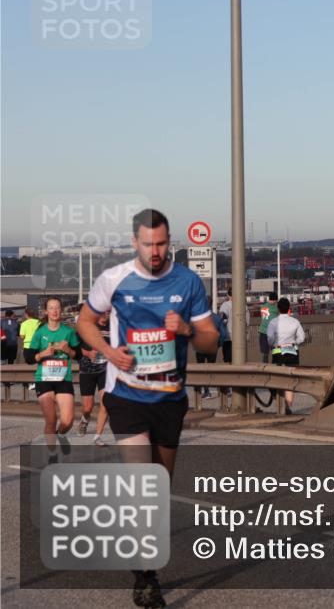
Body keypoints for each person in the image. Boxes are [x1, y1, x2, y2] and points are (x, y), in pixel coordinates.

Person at [76, 209, 218, 609]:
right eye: (147, 244)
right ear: (134, 242)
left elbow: (210, 342)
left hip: (170, 399)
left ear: (169, 242)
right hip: (126, 397)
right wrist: (107, 353)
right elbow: (84, 322)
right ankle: (149, 579)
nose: (154, 252)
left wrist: (188, 329)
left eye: (161, 244)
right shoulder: (114, 279)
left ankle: (141, 567)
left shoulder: (187, 282)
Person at [25, 296, 82, 460]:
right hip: (44, 379)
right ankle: (52, 453)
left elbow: (78, 356)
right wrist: (43, 353)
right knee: (51, 419)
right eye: (51, 308)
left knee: (68, 420)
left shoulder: (68, 332)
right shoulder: (40, 332)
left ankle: (61, 435)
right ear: (46, 311)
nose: (55, 311)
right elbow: (29, 358)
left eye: (57, 308)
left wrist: (69, 351)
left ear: (61, 310)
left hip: (64, 379)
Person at [267, 297, 305, 412]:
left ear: (278, 309)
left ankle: (277, 398)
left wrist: (274, 344)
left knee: (275, 377)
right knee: (290, 379)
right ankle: (288, 406)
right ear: (289, 308)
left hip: (278, 351)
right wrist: (293, 343)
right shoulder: (295, 322)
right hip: (293, 352)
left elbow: (270, 338)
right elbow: (302, 338)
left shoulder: (273, 322)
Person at [77, 309, 111, 439]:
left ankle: (98, 435)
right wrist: (88, 353)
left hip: (105, 369)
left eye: (108, 311)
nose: (106, 314)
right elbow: (76, 347)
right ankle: (84, 421)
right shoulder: (87, 326)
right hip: (87, 370)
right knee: (87, 407)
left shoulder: (112, 328)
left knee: (105, 403)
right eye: (103, 311)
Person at [19, 307, 41, 391]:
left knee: (28, 365)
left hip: (28, 346)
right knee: (38, 364)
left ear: (26, 314)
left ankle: (29, 382)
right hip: (38, 346)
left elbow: (22, 336)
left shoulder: (24, 323)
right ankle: (36, 382)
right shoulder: (38, 323)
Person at [258, 292, 279, 362]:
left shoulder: (263, 306)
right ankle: (275, 368)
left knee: (265, 353)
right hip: (273, 332)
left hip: (263, 331)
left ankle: (264, 368)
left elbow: (265, 319)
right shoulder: (276, 309)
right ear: (275, 300)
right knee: (276, 351)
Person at [1, 310, 19, 388]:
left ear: (5, 315)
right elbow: (19, 333)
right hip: (13, 343)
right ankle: (10, 379)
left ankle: (3, 379)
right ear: (12, 315)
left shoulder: (1, 322)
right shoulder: (16, 323)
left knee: (3, 361)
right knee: (11, 361)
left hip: (3, 343)